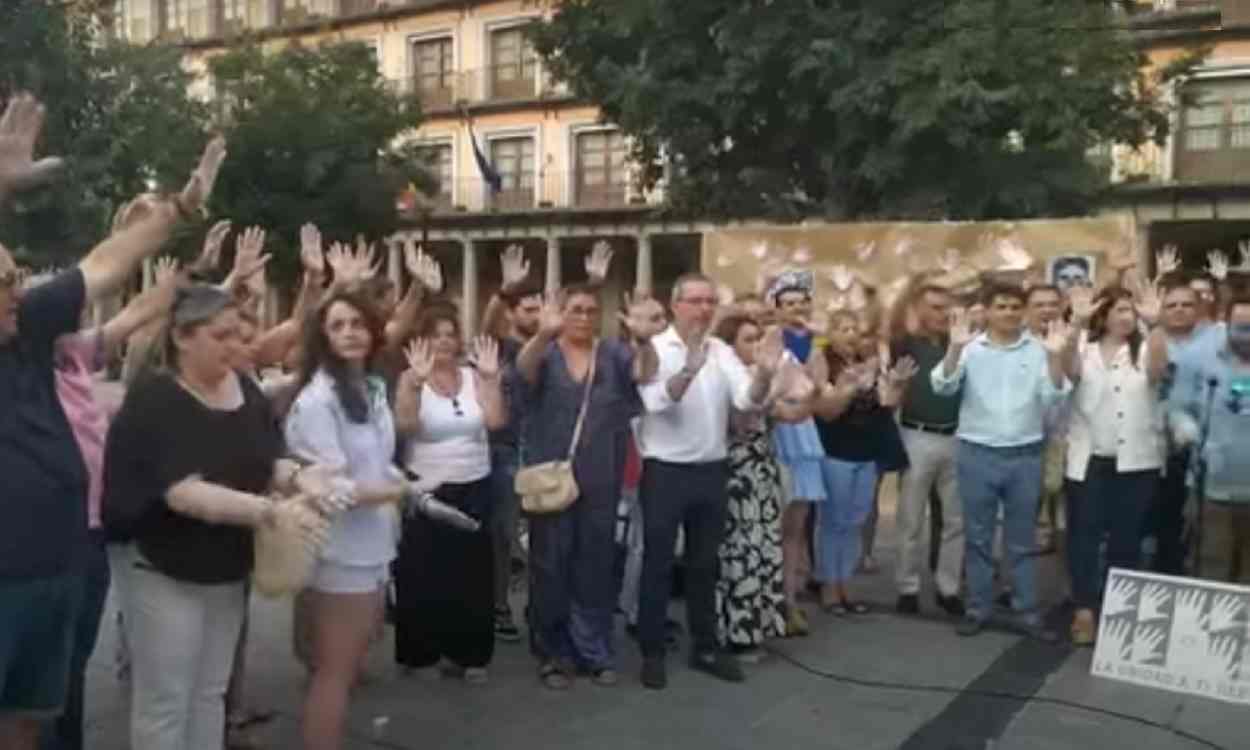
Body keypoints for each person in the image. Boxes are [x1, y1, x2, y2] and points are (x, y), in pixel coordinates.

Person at [0, 94, 208, 750]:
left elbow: (107, 265)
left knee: (31, 718)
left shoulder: (27, 330)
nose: (19, 288)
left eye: (16, 279)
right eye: (4, 282)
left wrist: (178, 209)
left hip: (55, 571)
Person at [102, 283, 329, 750]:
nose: (236, 345)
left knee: (210, 692)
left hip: (225, 567)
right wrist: (270, 511)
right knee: (166, 699)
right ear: (183, 337)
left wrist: (302, 479)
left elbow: (267, 459)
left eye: (239, 335)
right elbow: (184, 494)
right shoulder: (155, 399)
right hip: (162, 565)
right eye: (221, 335)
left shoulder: (244, 388)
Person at [283, 290, 429, 750]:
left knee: (350, 660)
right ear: (323, 338)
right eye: (337, 326)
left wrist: (397, 479)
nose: (349, 333)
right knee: (335, 671)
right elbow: (334, 490)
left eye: (357, 324)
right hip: (339, 550)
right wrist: (400, 491)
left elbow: (379, 460)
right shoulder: (316, 400)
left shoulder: (372, 387)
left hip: (374, 543)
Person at [635, 273, 780, 690]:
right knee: (658, 564)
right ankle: (652, 652)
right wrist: (686, 372)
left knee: (705, 565)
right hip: (664, 470)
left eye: (709, 301)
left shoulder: (720, 350)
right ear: (675, 304)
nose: (703, 309)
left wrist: (765, 375)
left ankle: (705, 646)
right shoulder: (657, 348)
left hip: (712, 469)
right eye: (695, 301)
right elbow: (655, 401)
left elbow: (745, 400)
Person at [515, 286, 660, 689]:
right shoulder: (545, 352)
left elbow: (644, 373)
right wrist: (542, 334)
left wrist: (644, 339)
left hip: (601, 475)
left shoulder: (613, 353)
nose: (583, 316)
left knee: (595, 563)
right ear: (560, 314)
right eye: (574, 310)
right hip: (552, 475)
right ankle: (553, 652)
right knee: (549, 564)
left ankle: (593, 650)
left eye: (591, 310)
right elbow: (523, 374)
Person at [931, 283, 1069, 641]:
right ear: (988, 311)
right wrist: (954, 347)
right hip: (977, 453)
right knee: (977, 537)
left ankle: (1025, 609)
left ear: (1022, 312)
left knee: (1021, 539)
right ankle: (978, 607)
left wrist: (1056, 357)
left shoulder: (1040, 349)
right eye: (1001, 306)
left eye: (1014, 307)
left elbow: (1054, 395)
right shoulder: (970, 348)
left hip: (1025, 454)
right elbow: (942, 386)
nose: (1008, 313)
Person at [392, 307, 507, 683]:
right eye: (435, 333)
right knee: (425, 572)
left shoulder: (476, 376)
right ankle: (422, 654)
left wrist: (491, 381)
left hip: (475, 483)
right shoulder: (410, 378)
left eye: (450, 333)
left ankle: (469, 654)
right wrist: (414, 384)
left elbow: (495, 423)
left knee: (471, 575)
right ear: (422, 340)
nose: (444, 340)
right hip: (428, 488)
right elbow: (405, 426)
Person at [1060, 286, 1164, 645]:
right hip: (1089, 460)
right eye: (1120, 310)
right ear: (1103, 315)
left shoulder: (1147, 346)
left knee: (1126, 538)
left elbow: (1157, 372)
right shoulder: (1083, 350)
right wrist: (1077, 323)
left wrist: (1157, 324)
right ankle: (1084, 609)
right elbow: (1066, 373)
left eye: (1131, 311)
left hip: (1136, 462)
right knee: (1083, 535)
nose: (1126, 317)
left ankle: (1120, 612)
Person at [712, 314, 812, 662]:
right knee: (739, 552)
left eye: (759, 339)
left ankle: (758, 626)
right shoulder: (723, 377)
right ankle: (735, 634)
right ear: (730, 345)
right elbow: (739, 421)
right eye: (748, 339)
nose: (756, 346)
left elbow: (794, 413)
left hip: (764, 469)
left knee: (764, 547)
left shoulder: (761, 374)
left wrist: (805, 386)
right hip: (736, 471)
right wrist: (770, 389)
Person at [810, 311, 913, 615]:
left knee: (855, 521)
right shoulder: (824, 362)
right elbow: (826, 411)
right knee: (833, 521)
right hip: (835, 451)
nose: (851, 334)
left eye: (855, 328)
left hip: (866, 452)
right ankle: (829, 585)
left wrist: (897, 384)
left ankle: (847, 584)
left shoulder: (867, 362)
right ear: (831, 332)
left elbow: (886, 406)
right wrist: (848, 387)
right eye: (844, 328)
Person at [479, 244, 550, 643]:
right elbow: (487, 328)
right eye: (528, 310)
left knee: (545, 534)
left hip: (543, 451)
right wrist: (503, 291)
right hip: (504, 451)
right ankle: (499, 604)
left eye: (540, 309)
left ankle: (543, 607)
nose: (536, 316)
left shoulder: (553, 347)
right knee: (503, 534)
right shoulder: (501, 346)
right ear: (513, 313)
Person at [890, 285, 966, 617]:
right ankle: (907, 586)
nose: (942, 315)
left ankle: (948, 587)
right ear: (919, 310)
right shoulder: (905, 344)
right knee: (910, 518)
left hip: (958, 436)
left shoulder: (963, 345)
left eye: (946, 308)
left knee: (955, 519)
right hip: (916, 435)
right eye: (934, 307)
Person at [1169, 292, 1250, 583]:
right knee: (1211, 567)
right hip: (1212, 489)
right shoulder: (1199, 358)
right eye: (1241, 328)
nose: (1247, 336)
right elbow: (1177, 407)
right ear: (1224, 324)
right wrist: (1184, 426)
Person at [763, 271, 827, 636]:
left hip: (803, 432)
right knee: (771, 523)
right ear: (776, 308)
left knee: (795, 528)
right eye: (788, 304)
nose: (796, 309)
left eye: (801, 302)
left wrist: (816, 340)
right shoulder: (770, 340)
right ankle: (765, 600)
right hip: (775, 428)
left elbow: (817, 386)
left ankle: (788, 601)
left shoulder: (816, 343)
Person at [1145, 275, 1221, 575]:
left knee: (1206, 526)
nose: (1179, 310)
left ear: (1200, 306)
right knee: (1163, 523)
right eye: (1171, 305)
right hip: (1155, 446)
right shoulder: (1148, 337)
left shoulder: (1219, 338)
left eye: (1186, 304)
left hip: (1207, 445)